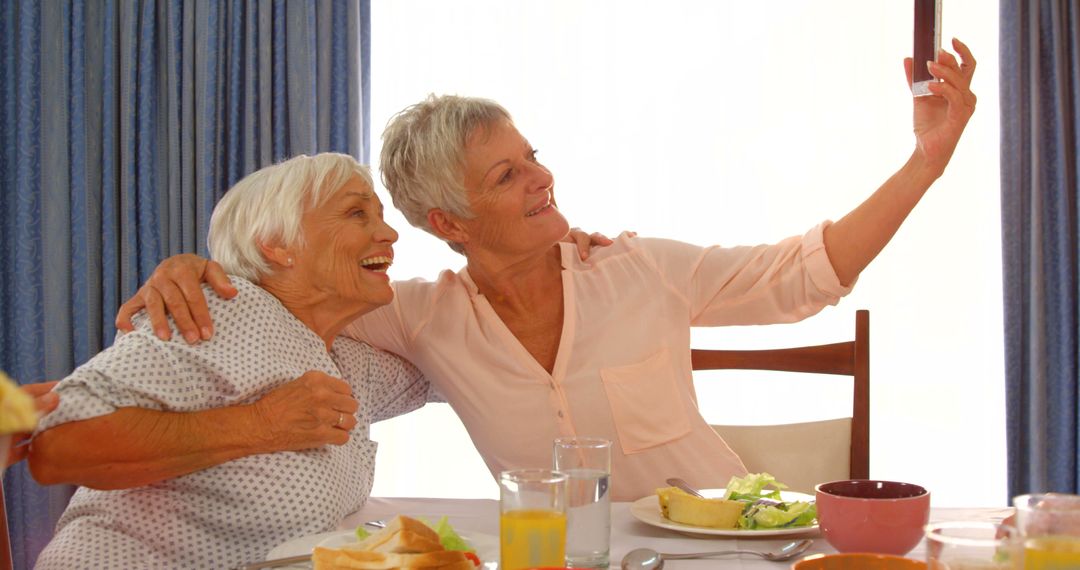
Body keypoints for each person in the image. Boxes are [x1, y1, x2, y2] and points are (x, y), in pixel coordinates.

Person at [114, 40, 978, 502]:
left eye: (534, 157)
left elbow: (807, 273)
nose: (542, 179)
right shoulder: (417, 317)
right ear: (448, 222)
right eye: (508, 175)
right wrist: (189, 266)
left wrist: (926, 163)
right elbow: (288, 292)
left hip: (718, 548)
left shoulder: (642, 271)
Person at [28, 153, 436, 568]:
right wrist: (261, 424)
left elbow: (464, 368)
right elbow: (60, 444)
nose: (388, 233)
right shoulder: (220, 310)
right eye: (356, 213)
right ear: (278, 245)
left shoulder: (350, 361)